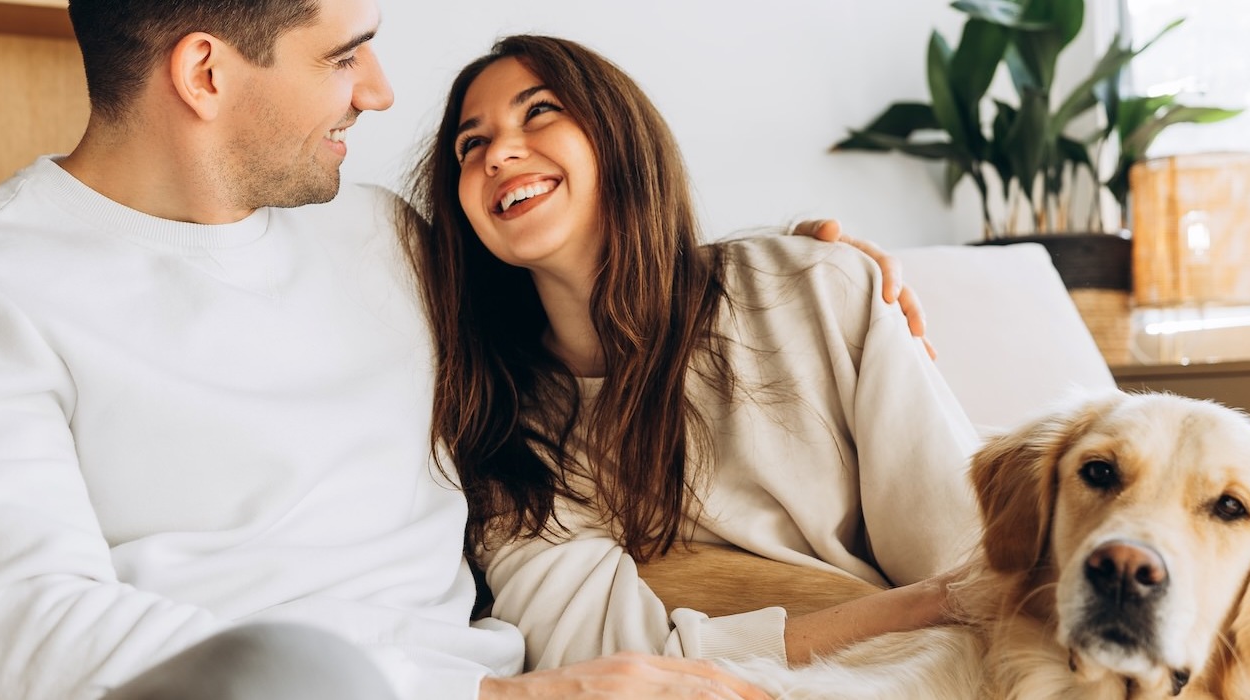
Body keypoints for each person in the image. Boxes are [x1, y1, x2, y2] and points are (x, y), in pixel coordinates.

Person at [0, 2, 914, 699]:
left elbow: (591, 263)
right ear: (204, 73)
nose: (377, 89)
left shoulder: (384, 239)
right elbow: (26, 643)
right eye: (343, 52)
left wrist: (793, 261)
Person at [400, 34, 985, 673]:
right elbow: (607, 665)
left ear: (617, 131)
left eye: (539, 110)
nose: (498, 153)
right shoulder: (506, 435)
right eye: (470, 144)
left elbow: (970, 566)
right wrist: (907, 611)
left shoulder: (814, 287)